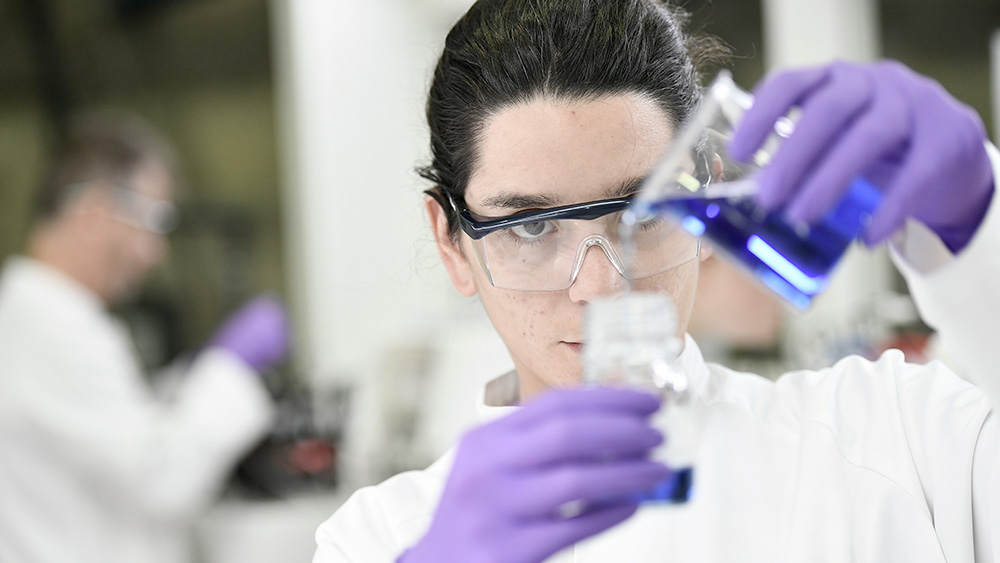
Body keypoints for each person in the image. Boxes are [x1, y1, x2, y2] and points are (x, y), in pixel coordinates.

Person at [313, 1, 1000, 561]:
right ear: (452, 244)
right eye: (532, 227)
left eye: (640, 214)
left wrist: (981, 221)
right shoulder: (378, 540)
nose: (600, 289)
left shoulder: (894, 442)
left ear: (706, 197)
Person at [0, 111, 291, 563]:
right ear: (95, 212)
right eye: (153, 220)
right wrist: (228, 367)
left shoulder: (43, 319)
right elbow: (162, 479)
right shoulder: (49, 333)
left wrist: (188, 381)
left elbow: (120, 434)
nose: (155, 252)